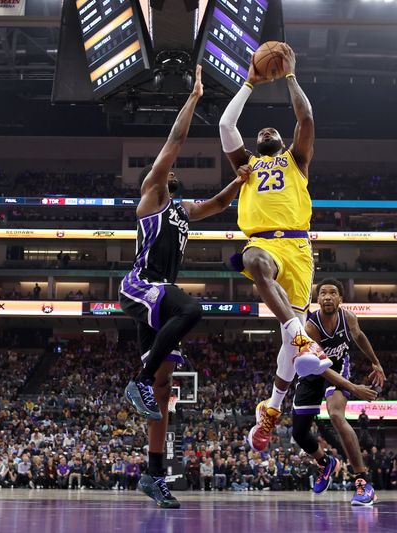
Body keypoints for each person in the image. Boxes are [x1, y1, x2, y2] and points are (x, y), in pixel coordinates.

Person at [119, 66, 251, 509]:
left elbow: (219, 203)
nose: (170, 171)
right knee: (192, 311)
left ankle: (152, 476)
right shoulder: (152, 194)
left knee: (163, 392)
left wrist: (241, 178)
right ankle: (136, 380)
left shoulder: (181, 210)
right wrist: (194, 98)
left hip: (158, 297)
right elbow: (174, 144)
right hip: (142, 286)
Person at [218, 43, 331, 452]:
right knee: (252, 260)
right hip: (262, 242)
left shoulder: (296, 161)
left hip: (299, 249)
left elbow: (306, 117)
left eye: (272, 131)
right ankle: (298, 335)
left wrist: (289, 75)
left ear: (282, 142)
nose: (266, 131)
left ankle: (272, 407)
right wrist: (249, 82)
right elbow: (225, 127)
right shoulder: (245, 166)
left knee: (290, 353)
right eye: (261, 132)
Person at [291, 279, 383, 506]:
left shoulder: (348, 317)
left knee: (335, 415)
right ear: (317, 299)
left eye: (333, 293)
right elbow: (321, 367)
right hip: (314, 371)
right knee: (299, 433)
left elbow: (359, 336)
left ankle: (363, 482)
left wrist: (375, 362)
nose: (328, 297)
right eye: (323, 293)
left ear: (340, 299)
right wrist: (354, 388)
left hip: (339, 366)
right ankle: (325, 462)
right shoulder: (311, 326)